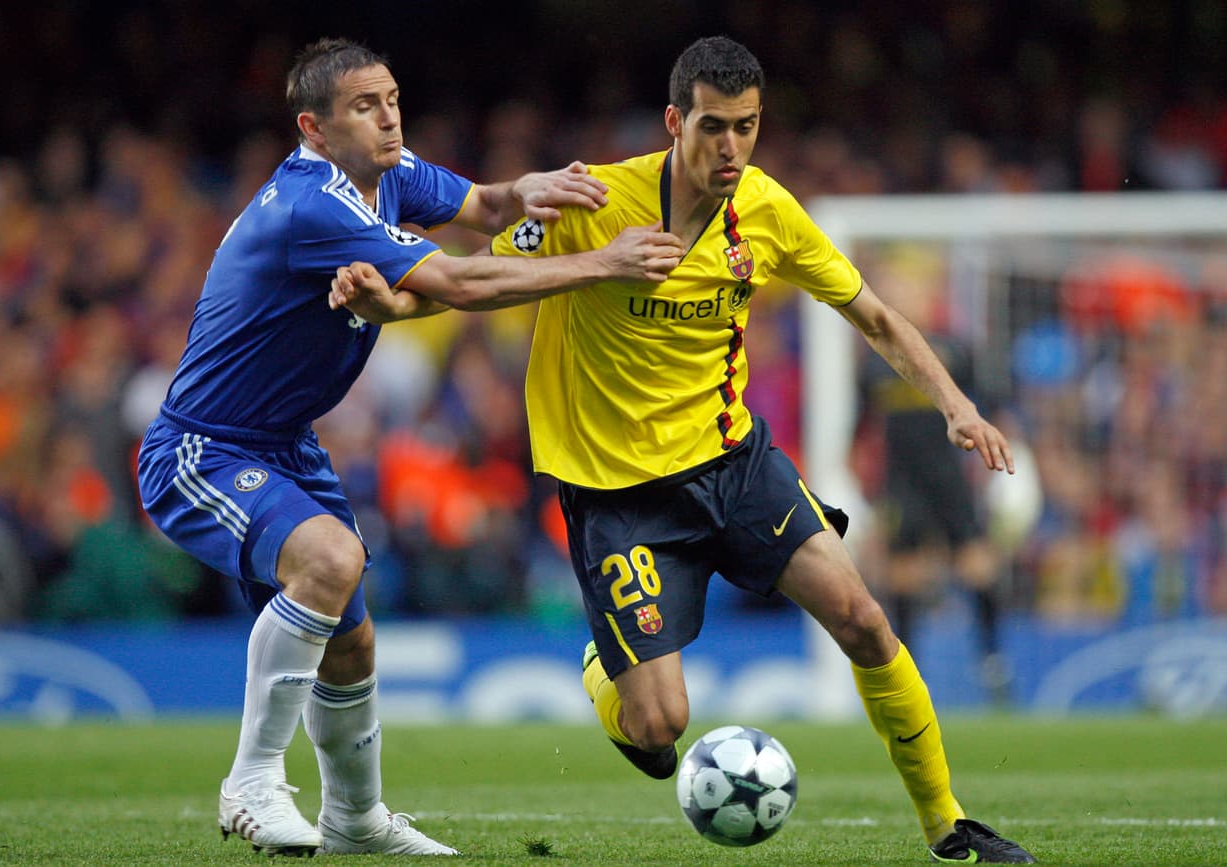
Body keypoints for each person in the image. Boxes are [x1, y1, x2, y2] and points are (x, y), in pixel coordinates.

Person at [335, 35, 1036, 862]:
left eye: (746, 126)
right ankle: (608, 667)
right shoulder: (593, 201)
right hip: (618, 495)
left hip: (734, 464)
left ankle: (948, 825)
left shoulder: (770, 214)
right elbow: (480, 274)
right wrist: (391, 308)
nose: (730, 146)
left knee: (864, 618)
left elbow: (876, 315)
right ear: (675, 121)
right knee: (659, 728)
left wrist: (956, 406)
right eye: (712, 126)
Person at [137, 37, 681, 858]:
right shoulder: (311, 202)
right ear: (313, 127)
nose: (389, 115)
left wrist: (524, 189)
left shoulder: (392, 173)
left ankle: (354, 820)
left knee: (350, 635)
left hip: (286, 443)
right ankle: (252, 784)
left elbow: (490, 208)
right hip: (203, 446)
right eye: (365, 105)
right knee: (329, 560)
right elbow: (459, 283)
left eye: (391, 98)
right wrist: (602, 263)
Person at [856, 249, 1014, 705]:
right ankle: (910, 679)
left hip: (950, 477)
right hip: (900, 482)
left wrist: (998, 473)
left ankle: (993, 662)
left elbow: (992, 411)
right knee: (902, 577)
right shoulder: (873, 361)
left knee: (977, 566)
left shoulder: (955, 351)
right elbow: (860, 427)